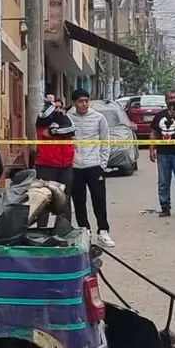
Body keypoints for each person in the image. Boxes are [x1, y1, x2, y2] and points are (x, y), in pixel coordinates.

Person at [68, 88, 115, 247]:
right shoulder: (69, 118)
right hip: (75, 166)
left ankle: (103, 231)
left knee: (99, 199)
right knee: (79, 200)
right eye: (80, 101)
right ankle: (85, 231)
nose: (84, 104)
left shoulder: (98, 118)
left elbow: (105, 142)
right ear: (74, 103)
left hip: (94, 165)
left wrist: (102, 164)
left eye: (86, 101)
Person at [148, 89, 175, 218]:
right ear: (166, 100)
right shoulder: (159, 115)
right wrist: (152, 148)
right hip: (163, 153)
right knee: (163, 182)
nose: (173, 100)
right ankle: (165, 207)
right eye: (170, 98)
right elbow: (154, 132)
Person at [33, 91, 76, 227]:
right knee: (43, 198)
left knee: (65, 199)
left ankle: (64, 229)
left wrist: (53, 131)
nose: (57, 110)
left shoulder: (66, 120)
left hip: (66, 166)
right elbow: (44, 116)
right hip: (46, 165)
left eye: (60, 107)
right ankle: (41, 230)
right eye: (55, 107)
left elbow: (71, 130)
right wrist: (49, 103)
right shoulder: (42, 122)